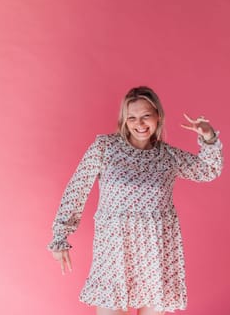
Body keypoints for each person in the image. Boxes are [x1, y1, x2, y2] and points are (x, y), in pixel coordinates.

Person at [47, 86, 223, 315]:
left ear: (158, 116)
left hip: (156, 253)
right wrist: (60, 235)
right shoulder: (105, 148)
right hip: (114, 250)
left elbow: (208, 170)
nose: (139, 124)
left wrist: (208, 136)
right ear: (124, 120)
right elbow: (77, 188)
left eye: (146, 116)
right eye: (132, 118)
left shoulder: (168, 156)